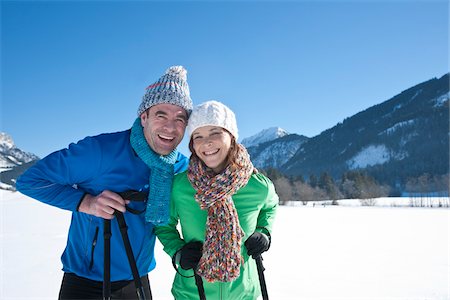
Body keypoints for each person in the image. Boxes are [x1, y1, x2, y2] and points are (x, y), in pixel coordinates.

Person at [16, 65, 193, 299]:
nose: (170, 127)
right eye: (161, 115)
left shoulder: (179, 166)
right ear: (144, 117)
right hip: (85, 281)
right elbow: (30, 180)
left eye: (180, 118)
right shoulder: (100, 151)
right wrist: (86, 202)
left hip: (138, 280)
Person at [155, 100, 279, 300]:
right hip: (192, 292)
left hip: (243, 293)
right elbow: (163, 224)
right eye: (198, 136)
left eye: (215, 133)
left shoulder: (258, 185)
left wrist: (264, 232)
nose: (207, 142)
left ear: (231, 137)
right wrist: (178, 251)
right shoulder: (179, 186)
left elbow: (270, 206)